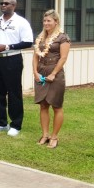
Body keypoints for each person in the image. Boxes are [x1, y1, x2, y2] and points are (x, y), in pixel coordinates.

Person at [0, 0, 34, 137]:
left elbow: (28, 42)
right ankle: (1, 122)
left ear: (14, 5)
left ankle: (16, 124)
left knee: (14, 93)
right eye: (2, 3)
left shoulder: (21, 22)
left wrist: (7, 46)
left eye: (6, 3)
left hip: (12, 59)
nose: (3, 5)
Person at [33, 10, 70, 149]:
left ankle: (54, 137)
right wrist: (35, 72)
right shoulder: (40, 37)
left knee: (56, 106)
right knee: (43, 105)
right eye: (44, 21)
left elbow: (63, 57)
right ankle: (45, 135)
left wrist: (54, 73)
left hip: (55, 74)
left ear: (56, 22)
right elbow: (36, 56)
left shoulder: (62, 38)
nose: (46, 23)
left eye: (49, 21)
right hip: (41, 73)